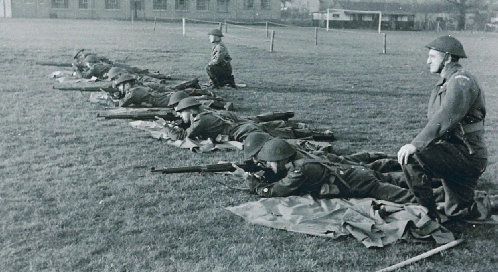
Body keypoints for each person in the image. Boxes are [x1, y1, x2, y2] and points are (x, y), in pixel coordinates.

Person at [397, 35, 487, 221]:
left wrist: (416, 145)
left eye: (432, 56)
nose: (428, 61)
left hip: (466, 154)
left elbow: (446, 116)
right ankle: (491, 203)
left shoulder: (461, 81)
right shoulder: (446, 82)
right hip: (456, 152)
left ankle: (429, 216)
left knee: (412, 159)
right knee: (457, 211)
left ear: (447, 58)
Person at [241, 138, 415, 203]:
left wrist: (255, 184)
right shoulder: (298, 156)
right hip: (354, 172)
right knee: (397, 179)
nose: (268, 165)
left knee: (404, 196)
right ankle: (426, 177)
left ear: (282, 159)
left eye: (271, 162)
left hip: (358, 182)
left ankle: (433, 197)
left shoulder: (299, 171)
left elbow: (277, 190)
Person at [166, 97, 335, 143]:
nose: (180, 116)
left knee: (281, 135)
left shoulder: (199, 121)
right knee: (277, 129)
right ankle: (319, 133)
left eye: (182, 113)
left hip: (240, 131)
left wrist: (167, 128)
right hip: (242, 124)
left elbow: (183, 136)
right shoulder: (206, 112)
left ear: (191, 110)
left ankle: (320, 137)